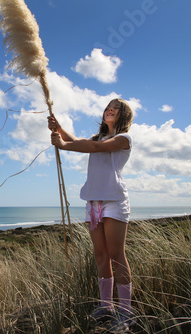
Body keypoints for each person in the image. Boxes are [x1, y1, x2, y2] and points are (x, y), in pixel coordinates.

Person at [48, 98, 135, 332]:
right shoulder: (97, 138)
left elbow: (92, 148)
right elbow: (79, 141)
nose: (110, 110)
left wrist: (63, 146)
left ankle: (126, 312)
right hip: (93, 201)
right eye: (108, 107)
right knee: (100, 254)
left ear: (123, 116)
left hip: (114, 201)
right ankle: (106, 307)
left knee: (117, 255)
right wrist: (58, 128)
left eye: (116, 109)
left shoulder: (123, 139)